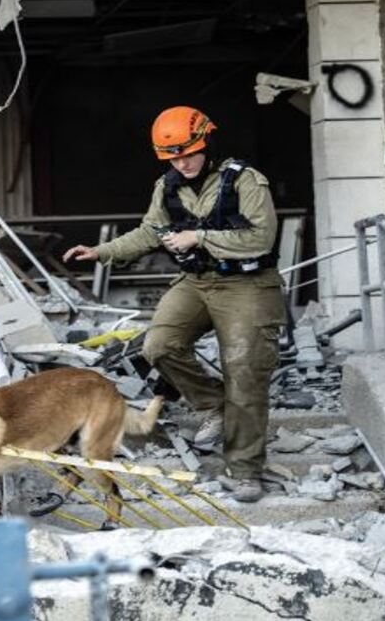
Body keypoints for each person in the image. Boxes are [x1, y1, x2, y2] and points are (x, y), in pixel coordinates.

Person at [63, 106, 284, 503]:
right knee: (159, 345)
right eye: (173, 157)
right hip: (196, 282)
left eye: (189, 153)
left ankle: (246, 469)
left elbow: (261, 239)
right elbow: (150, 232)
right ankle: (214, 405)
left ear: (207, 143)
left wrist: (198, 238)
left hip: (248, 284)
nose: (182, 163)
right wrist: (100, 251)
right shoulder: (167, 186)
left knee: (245, 370)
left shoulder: (245, 181)